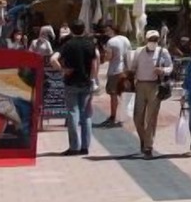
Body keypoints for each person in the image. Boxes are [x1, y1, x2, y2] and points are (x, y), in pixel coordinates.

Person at [50, 23, 99, 156]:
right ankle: (85, 146)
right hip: (86, 83)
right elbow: (95, 65)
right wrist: (93, 80)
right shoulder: (90, 44)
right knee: (86, 115)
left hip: (71, 82)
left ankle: (74, 147)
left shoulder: (68, 44)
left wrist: (63, 70)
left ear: (71, 30)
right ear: (84, 30)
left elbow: (53, 59)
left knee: (73, 113)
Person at [128, 30, 173, 159]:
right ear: (146, 40)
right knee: (137, 116)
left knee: (151, 117)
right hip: (140, 85)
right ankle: (144, 138)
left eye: (155, 39)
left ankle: (148, 146)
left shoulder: (162, 52)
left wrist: (163, 70)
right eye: (151, 39)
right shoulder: (139, 51)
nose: (153, 42)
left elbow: (170, 67)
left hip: (155, 86)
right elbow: (133, 67)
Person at [100, 24, 131, 128]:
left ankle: (113, 117)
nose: (106, 33)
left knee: (113, 95)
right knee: (123, 95)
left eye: (107, 30)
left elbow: (109, 57)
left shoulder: (111, 42)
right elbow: (129, 54)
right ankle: (122, 117)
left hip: (114, 70)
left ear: (113, 30)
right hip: (125, 69)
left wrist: (103, 56)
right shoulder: (126, 39)